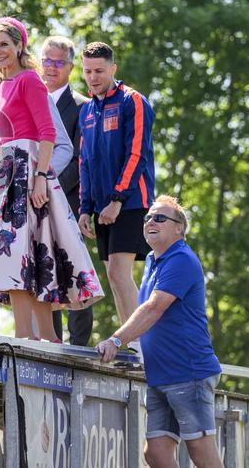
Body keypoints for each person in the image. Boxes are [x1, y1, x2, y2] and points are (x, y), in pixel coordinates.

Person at [0, 18, 102, 340]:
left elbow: (47, 133)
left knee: (36, 255)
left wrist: (40, 177)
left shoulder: (29, 80)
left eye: (4, 45)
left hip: (29, 174)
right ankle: (27, 337)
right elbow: (5, 143)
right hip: (6, 178)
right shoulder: (3, 88)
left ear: (19, 46)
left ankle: (44, 338)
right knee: (12, 261)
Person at [96, 196, 222, 468]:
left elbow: (154, 308)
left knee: (203, 455)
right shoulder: (154, 261)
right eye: (148, 218)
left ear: (179, 229)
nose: (151, 221)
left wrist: (117, 339)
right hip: (162, 375)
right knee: (156, 455)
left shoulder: (182, 259)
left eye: (160, 218)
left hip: (189, 374)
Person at [77, 42, 155, 343]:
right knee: (113, 277)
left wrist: (118, 199)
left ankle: (140, 344)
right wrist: (86, 208)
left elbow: (136, 154)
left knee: (121, 275)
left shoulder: (132, 101)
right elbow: (85, 160)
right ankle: (131, 342)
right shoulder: (87, 110)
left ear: (113, 69)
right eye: (87, 72)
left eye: (99, 71)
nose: (93, 77)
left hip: (130, 202)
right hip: (101, 207)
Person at [41, 35, 94, 345]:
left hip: (70, 200)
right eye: (46, 61)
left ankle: (78, 345)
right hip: (36, 201)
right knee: (46, 270)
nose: (50, 68)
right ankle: (51, 341)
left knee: (74, 271)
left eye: (58, 62)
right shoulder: (33, 99)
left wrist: (51, 186)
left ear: (71, 67)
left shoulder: (81, 107)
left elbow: (80, 158)